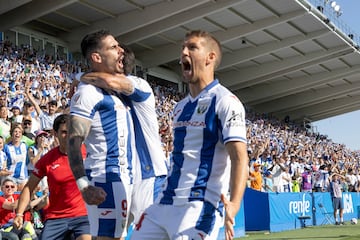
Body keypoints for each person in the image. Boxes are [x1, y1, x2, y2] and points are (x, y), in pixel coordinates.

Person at [131, 30, 249, 240]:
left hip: (199, 203)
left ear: (210, 57)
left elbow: (239, 157)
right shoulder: (180, 107)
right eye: (183, 48)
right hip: (163, 202)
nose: (184, 53)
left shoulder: (226, 101)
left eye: (192, 47)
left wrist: (234, 203)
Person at [80, 43, 168, 226]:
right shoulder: (107, 94)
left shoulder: (138, 84)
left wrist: (81, 76)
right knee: (111, 233)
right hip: (123, 175)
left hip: (148, 174)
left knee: (150, 232)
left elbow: (111, 82)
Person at [67, 30, 136, 240]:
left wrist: (78, 76)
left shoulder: (116, 91)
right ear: (96, 57)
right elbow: (73, 142)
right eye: (114, 47)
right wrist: (84, 186)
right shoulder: (87, 93)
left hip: (127, 176)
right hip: (106, 177)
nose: (120, 50)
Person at [13, 114, 91, 240]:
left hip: (83, 216)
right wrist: (19, 214)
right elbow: (28, 187)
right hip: (56, 218)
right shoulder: (47, 160)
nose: (69, 136)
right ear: (55, 133)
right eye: (64, 132)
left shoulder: (87, 152)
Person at [3, 123, 29, 189]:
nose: (17, 133)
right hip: (10, 177)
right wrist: (5, 169)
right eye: (15, 131)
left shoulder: (25, 146)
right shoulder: (6, 147)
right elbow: (4, 161)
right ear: (12, 134)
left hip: (23, 177)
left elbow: (28, 160)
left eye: (20, 132)